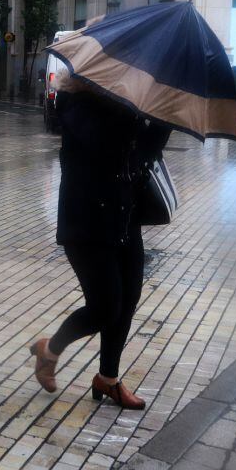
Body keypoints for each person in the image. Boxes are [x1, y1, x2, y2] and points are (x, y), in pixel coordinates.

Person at [28, 79, 170, 410]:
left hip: (124, 218)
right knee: (106, 307)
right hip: (87, 223)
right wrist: (134, 110)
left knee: (128, 299)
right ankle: (50, 349)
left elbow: (144, 154)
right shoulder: (76, 103)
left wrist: (162, 118)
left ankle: (107, 379)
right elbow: (106, 147)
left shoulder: (130, 104)